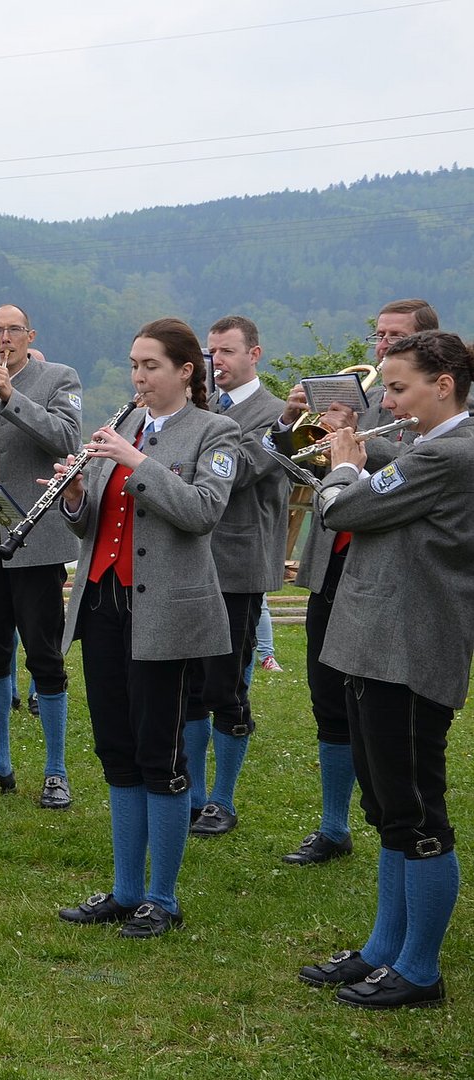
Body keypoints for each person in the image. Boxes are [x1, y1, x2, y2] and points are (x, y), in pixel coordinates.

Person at [296, 329, 473, 1009]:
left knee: (416, 814)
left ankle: (419, 970)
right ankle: (382, 950)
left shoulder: (450, 453)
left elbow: (343, 508)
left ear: (444, 386)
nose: (388, 403)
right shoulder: (429, 447)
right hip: (378, 648)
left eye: (397, 389)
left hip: (409, 654)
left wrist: (343, 463)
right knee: (388, 811)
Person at [54, 317, 236, 938]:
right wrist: (74, 496)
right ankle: (126, 889)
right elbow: (93, 524)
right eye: (134, 364)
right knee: (117, 748)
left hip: (165, 611)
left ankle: (163, 897)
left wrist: (136, 462)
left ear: (186, 371)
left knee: (160, 749)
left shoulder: (214, 431)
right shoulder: (125, 425)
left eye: (151, 365)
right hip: (102, 601)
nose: (138, 376)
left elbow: (202, 511)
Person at [269, 298, 437, 867]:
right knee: (328, 698)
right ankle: (333, 825)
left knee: (379, 710)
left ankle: (394, 821)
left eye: (395, 336)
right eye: (379, 335)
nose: (382, 346)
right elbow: (301, 467)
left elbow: (415, 466)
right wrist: (291, 424)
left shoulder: (430, 404)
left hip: (387, 572)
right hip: (332, 561)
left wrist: (353, 437)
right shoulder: (359, 395)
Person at [0, 305, 82, 810]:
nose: (4, 338)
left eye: (12, 330)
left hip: (35, 538)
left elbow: (68, 439)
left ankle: (56, 771)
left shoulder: (58, 377)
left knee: (44, 655)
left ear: (30, 335)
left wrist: (12, 396)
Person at [183, 316, 289, 838]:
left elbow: (240, 470)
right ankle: (192, 794)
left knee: (226, 687)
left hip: (238, 566)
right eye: (211, 352)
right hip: (191, 561)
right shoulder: (202, 408)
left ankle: (222, 800)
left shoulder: (277, 415)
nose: (216, 361)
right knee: (188, 684)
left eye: (226, 351)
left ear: (254, 354)